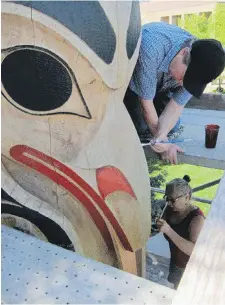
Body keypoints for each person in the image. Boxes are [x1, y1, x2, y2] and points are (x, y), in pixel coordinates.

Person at [124, 22, 225, 164]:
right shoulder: (150, 48)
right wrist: (163, 144)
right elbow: (146, 104)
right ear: (184, 53)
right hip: (134, 87)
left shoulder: (198, 63)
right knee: (142, 126)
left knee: (172, 127)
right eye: (185, 77)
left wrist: (161, 136)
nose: (184, 84)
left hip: (160, 86)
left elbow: (176, 106)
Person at [156, 175, 205, 289]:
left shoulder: (197, 219)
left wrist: (168, 230)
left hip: (191, 268)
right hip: (176, 262)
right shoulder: (170, 209)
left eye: (173, 200)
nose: (168, 203)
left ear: (187, 197)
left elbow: (194, 251)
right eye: (166, 198)